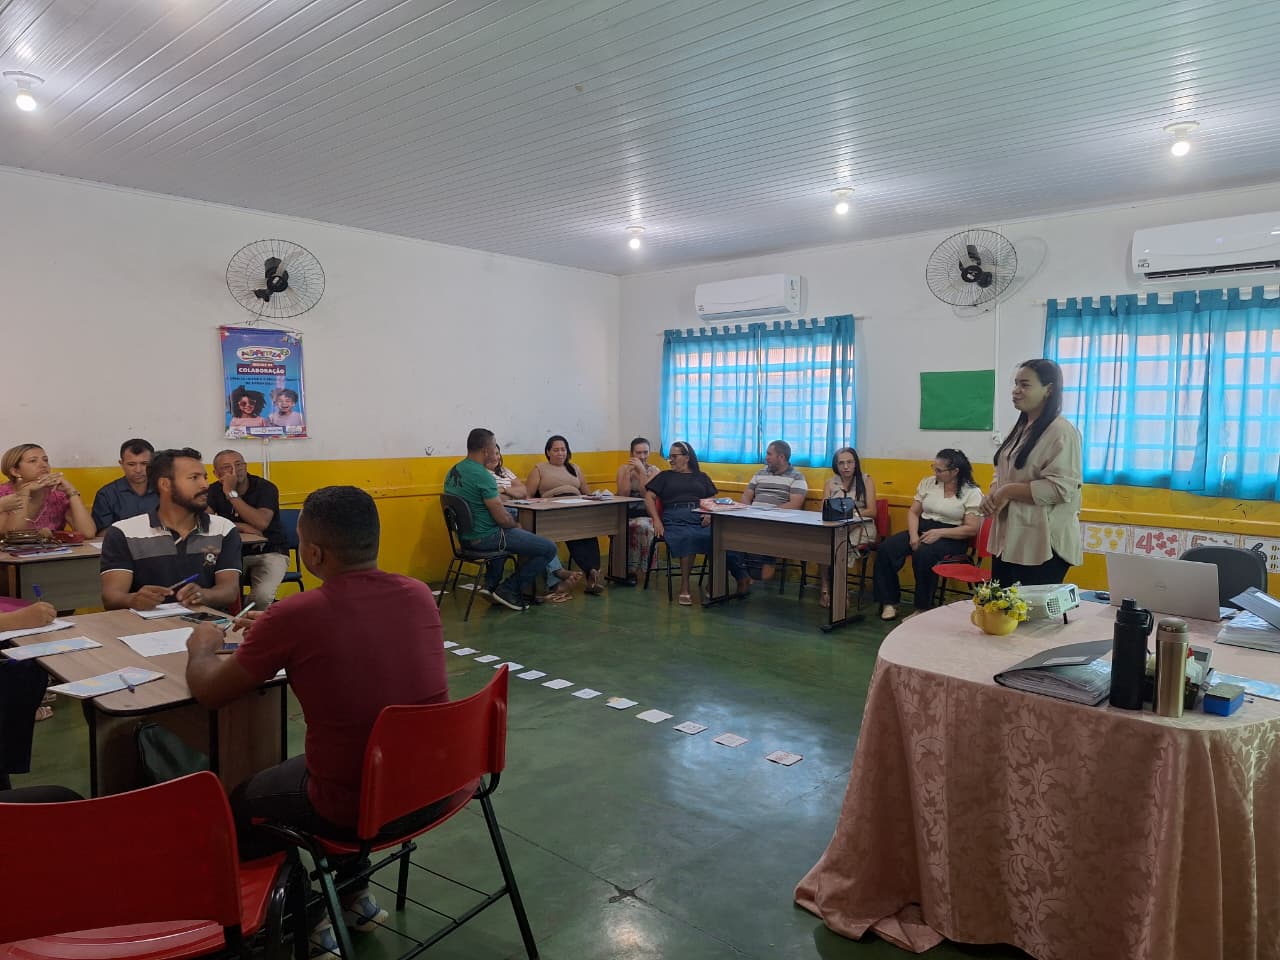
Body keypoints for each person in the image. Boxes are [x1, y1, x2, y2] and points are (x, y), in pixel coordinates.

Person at [184, 485, 448, 954]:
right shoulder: (418, 593)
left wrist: (202, 646)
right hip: (434, 786)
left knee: (244, 803)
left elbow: (210, 692)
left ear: (313, 553)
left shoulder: (296, 614)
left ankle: (302, 916)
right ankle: (355, 896)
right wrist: (272, 631)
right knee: (356, 759)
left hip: (357, 806)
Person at [100, 448, 243, 612]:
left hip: (205, 622)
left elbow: (229, 591)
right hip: (146, 625)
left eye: (205, 477)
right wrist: (133, 599)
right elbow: (111, 597)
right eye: (194, 478)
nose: (204, 485)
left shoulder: (223, 529)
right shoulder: (123, 532)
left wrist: (204, 595)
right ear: (165, 484)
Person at [981, 358, 1083, 586]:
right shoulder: (1019, 428)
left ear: (1049, 389)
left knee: (1030, 609)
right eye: (1016, 384)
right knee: (1001, 605)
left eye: (1025, 385)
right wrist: (993, 494)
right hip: (1009, 538)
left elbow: (1060, 488)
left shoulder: (1062, 432)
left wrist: (1007, 491)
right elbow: (1003, 471)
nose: (1016, 391)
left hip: (1042, 543)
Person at [445, 429, 558, 611]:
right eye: (493, 447)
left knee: (507, 538)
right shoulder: (483, 476)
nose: (495, 451)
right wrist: (517, 526)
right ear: (485, 451)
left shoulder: (453, 471)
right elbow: (503, 519)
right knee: (548, 548)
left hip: (464, 538)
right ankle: (509, 589)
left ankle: (490, 586)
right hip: (486, 538)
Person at [872, 448, 982, 620]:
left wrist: (940, 532)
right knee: (887, 548)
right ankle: (889, 602)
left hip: (952, 536)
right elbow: (913, 512)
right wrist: (913, 536)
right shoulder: (928, 483)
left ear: (955, 471)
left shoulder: (971, 492)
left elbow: (971, 528)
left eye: (939, 470)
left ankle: (923, 607)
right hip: (923, 528)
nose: (935, 473)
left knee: (924, 554)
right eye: (934, 468)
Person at [645, 441, 749, 605]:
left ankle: (719, 583)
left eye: (674, 456)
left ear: (686, 458)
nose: (671, 460)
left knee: (721, 537)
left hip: (699, 516)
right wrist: (656, 520)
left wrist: (709, 513)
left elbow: (711, 499)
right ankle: (685, 587)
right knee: (687, 536)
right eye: (669, 457)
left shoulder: (701, 477)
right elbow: (648, 497)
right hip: (674, 518)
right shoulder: (664, 476)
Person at [492, 445, 579, 602]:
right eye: (493, 453)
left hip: (520, 510)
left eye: (498, 453)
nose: (496, 457)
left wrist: (503, 490)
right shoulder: (482, 475)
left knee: (540, 527)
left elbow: (523, 492)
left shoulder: (505, 471)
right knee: (535, 531)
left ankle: (555, 577)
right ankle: (556, 573)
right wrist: (511, 493)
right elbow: (496, 499)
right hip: (502, 516)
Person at [206, 450, 289, 609]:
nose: (234, 470)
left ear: (245, 466)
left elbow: (261, 523)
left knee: (261, 597)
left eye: (238, 464)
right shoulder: (213, 491)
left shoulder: (265, 488)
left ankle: (249, 620)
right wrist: (241, 526)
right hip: (231, 553)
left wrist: (231, 493)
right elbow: (204, 521)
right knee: (217, 591)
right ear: (216, 474)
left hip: (270, 551)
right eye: (226, 467)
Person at [525, 435, 604, 594]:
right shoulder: (540, 468)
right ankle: (590, 572)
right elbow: (528, 496)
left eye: (563, 449)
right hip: (554, 511)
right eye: (556, 450)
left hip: (577, 507)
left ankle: (593, 571)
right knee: (572, 533)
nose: (560, 453)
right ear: (548, 452)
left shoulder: (574, 468)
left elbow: (587, 493)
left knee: (589, 532)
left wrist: (598, 496)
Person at [736, 439, 809, 582]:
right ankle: (741, 576)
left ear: (781, 457)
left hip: (777, 523)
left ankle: (758, 578)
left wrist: (768, 514)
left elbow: (795, 505)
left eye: (769, 454)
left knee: (767, 533)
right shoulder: (760, 473)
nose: (766, 458)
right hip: (752, 518)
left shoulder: (797, 477)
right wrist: (748, 512)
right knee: (730, 534)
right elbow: (746, 496)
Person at [818, 446, 877, 608]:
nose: (846, 467)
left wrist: (851, 516)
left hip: (862, 524)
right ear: (835, 465)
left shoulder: (866, 480)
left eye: (850, 462)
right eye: (841, 463)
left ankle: (841, 590)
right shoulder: (830, 483)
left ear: (855, 464)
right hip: (836, 525)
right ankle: (825, 589)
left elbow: (872, 511)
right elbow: (824, 508)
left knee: (842, 546)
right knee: (823, 544)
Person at [0, 444, 96, 537]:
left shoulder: (58, 495)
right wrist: (24, 492)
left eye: (45, 460)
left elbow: (88, 533)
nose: (43, 465)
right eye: (33, 461)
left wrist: (71, 492)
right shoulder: (3, 494)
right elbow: (11, 535)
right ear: (15, 471)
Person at [615, 437, 660, 585]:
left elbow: (645, 494)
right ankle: (629, 570)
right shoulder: (623, 469)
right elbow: (623, 494)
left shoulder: (654, 471)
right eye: (638, 453)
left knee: (642, 526)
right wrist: (627, 474)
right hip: (626, 512)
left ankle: (646, 569)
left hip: (647, 512)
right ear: (631, 453)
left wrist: (641, 472)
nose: (642, 456)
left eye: (645, 452)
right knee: (631, 526)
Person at [90, 438, 159, 535]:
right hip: (122, 544)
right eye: (131, 464)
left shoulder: (164, 490)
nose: (138, 470)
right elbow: (101, 534)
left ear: (153, 464)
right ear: (121, 464)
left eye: (144, 464)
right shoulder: (106, 494)